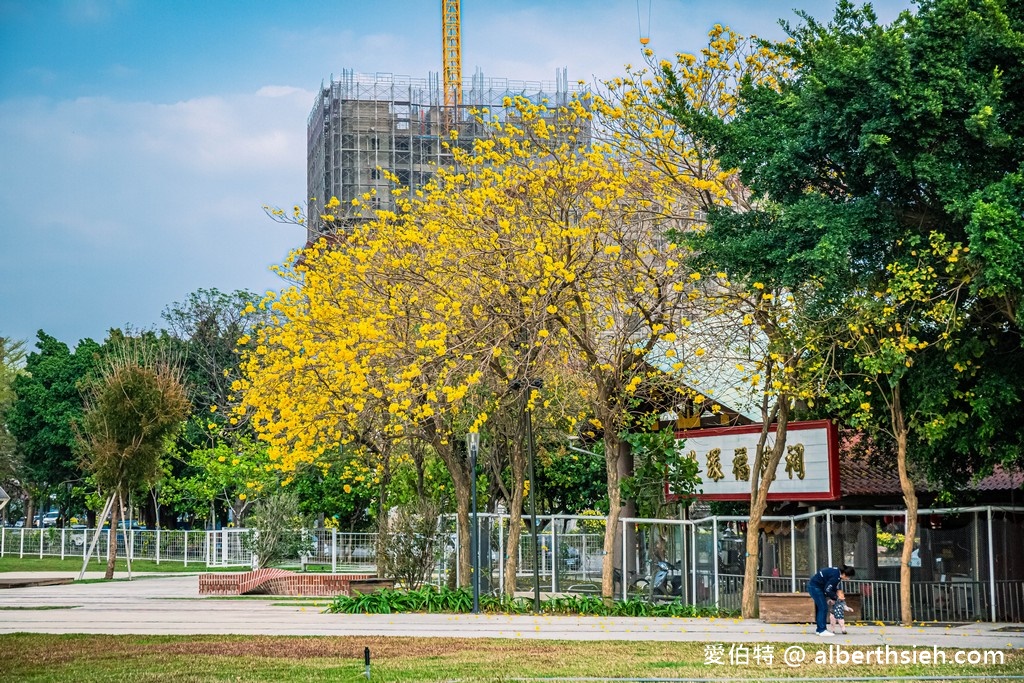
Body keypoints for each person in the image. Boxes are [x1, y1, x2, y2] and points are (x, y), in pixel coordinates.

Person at [807, 564, 855, 637]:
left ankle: (819, 629)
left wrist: (834, 594)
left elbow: (830, 587)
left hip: (817, 586)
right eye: (848, 577)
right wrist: (836, 598)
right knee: (823, 608)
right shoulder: (836, 577)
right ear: (844, 574)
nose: (848, 579)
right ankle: (821, 630)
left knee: (822, 608)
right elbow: (827, 589)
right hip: (815, 587)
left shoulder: (836, 572)